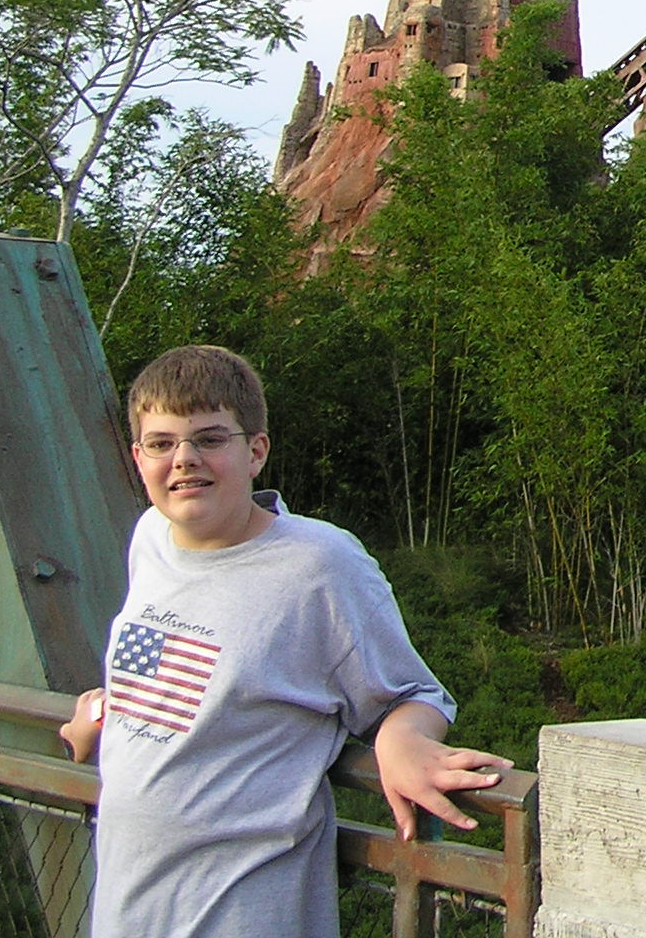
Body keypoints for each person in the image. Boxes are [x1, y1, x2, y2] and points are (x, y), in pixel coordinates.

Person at [57, 344, 512, 936]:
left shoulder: (318, 564)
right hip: (130, 905)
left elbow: (414, 693)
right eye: (162, 443)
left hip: (243, 909)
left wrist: (399, 743)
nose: (184, 460)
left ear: (256, 451)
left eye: (210, 439)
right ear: (138, 457)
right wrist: (107, 709)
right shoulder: (151, 537)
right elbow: (180, 665)